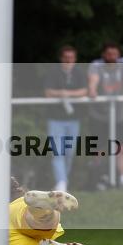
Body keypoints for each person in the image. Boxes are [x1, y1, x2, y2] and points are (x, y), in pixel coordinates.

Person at [87, 43, 123, 189]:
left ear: (118, 55)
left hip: (119, 115)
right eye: (109, 54)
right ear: (104, 55)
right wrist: (92, 90)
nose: (112, 57)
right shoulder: (96, 65)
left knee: (121, 148)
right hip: (99, 115)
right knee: (99, 148)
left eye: (115, 54)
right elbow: (93, 81)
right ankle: (100, 178)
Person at [44, 45, 87, 191]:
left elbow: (84, 91)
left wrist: (67, 94)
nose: (69, 61)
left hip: (73, 119)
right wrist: (60, 93)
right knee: (58, 152)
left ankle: (63, 181)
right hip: (55, 120)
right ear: (61, 58)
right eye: (66, 58)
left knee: (69, 152)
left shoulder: (79, 72)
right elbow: (48, 92)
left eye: (71, 58)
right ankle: (61, 182)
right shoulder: (53, 72)